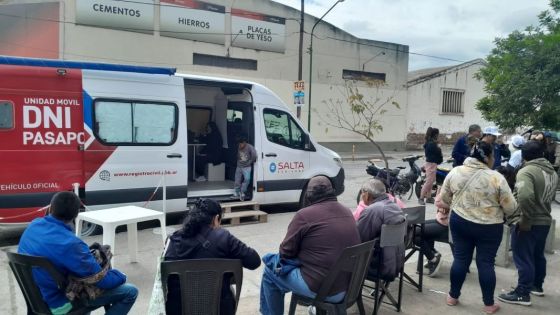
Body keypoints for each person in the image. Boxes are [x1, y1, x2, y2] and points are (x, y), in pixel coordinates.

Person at [18, 192, 138, 315]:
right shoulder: (71, 244)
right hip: (60, 305)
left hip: (35, 299)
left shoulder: (33, 226)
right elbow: (102, 281)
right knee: (130, 292)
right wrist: (121, 275)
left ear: (51, 208)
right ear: (76, 215)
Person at [259, 176, 360, 315]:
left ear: (308, 195)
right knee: (277, 262)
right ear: (333, 192)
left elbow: (285, 252)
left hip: (322, 289)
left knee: (270, 272)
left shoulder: (304, 215)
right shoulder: (347, 212)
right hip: (346, 288)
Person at [439, 141, 517, 314]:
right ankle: (489, 305)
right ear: (487, 157)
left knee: (460, 259)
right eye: (493, 156)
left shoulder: (455, 171)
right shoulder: (496, 178)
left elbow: (444, 198)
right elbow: (511, 207)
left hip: (460, 222)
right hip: (489, 227)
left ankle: (452, 296)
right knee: (485, 264)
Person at [164, 199, 260, 315]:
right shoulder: (223, 238)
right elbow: (254, 261)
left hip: (178, 310)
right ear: (216, 219)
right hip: (219, 310)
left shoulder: (172, 240)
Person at [498, 141, 559, 306]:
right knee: (537, 256)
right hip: (544, 220)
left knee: (523, 257)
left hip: (529, 222)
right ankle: (536, 286)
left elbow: (525, 197)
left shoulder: (526, 171)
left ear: (523, 156)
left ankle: (522, 293)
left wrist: (524, 220)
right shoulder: (552, 171)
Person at [356, 179, 406, 280]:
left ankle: (354, 295)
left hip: (379, 265)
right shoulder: (394, 206)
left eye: (362, 193)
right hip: (396, 263)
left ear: (366, 194)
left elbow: (359, 239)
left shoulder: (372, 210)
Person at [419, 127, 443, 205]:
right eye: (437, 135)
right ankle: (421, 198)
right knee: (428, 182)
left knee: (431, 181)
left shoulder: (430, 143)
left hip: (431, 163)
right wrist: (439, 148)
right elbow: (437, 153)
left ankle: (429, 197)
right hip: (431, 164)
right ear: (435, 135)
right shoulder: (432, 144)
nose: (438, 136)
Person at [232, 135, 257, 201]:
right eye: (239, 144)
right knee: (237, 180)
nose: (240, 145)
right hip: (239, 166)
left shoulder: (250, 147)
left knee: (247, 179)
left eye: (241, 143)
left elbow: (254, 156)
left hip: (247, 167)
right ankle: (237, 192)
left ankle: (242, 191)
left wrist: (250, 162)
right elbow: (237, 155)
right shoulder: (238, 146)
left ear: (245, 142)